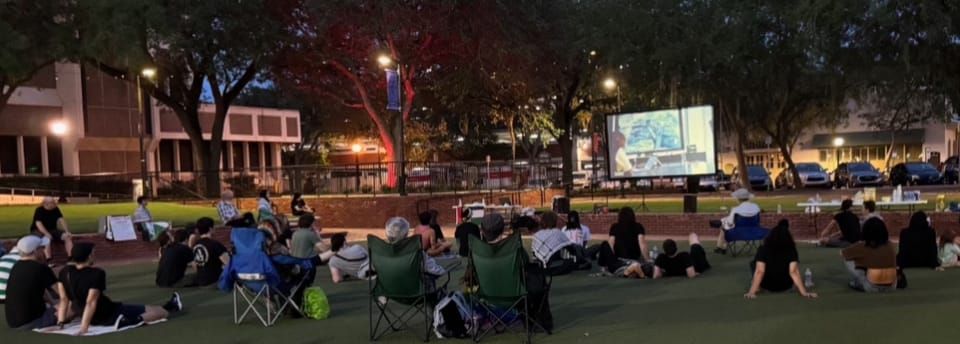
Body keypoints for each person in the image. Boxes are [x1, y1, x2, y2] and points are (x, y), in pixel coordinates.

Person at [57, 243, 182, 335]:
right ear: (89, 256)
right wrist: (84, 328)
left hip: (85, 312)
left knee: (149, 308)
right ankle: (130, 321)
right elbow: (91, 302)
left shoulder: (64, 272)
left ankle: (170, 305)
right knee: (160, 313)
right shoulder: (96, 273)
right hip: (107, 313)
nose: (94, 255)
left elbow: (63, 299)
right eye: (93, 253)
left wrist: (61, 323)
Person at [745, 220, 817, 299]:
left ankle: (756, 286)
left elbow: (760, 271)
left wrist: (751, 292)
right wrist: (804, 292)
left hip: (767, 286)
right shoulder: (791, 250)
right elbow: (793, 271)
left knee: (753, 263)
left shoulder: (763, 249)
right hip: (786, 286)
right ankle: (757, 286)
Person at [4, 236, 63, 329]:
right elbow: (63, 294)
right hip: (34, 322)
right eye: (42, 248)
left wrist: (53, 303)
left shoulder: (16, 266)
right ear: (35, 251)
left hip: (13, 322)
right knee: (75, 306)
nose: (44, 251)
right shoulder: (41, 268)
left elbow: (38, 289)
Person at [384, 217, 446, 291]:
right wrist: (443, 270)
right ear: (405, 233)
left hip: (391, 291)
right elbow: (436, 271)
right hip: (415, 293)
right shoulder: (415, 252)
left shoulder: (383, 252)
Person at [841, 218, 898, 292]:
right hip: (892, 286)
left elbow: (843, 254)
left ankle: (858, 282)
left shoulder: (862, 245)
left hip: (871, 287)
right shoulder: (890, 245)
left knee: (848, 259)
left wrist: (859, 261)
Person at [595, 207, 649, 278]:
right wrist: (647, 259)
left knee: (604, 244)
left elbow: (611, 244)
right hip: (634, 258)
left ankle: (604, 268)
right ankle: (632, 270)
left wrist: (611, 260)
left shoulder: (615, 227)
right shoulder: (638, 226)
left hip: (619, 259)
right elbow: (642, 243)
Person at [714, 188, 761, 254]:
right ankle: (722, 247)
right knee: (725, 226)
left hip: (739, 232)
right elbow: (758, 220)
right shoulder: (756, 207)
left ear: (738, 199)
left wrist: (723, 221)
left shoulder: (736, 209)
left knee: (724, 227)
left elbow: (730, 223)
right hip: (755, 231)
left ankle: (721, 247)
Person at [531, 211, 578, 275]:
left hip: (540, 268)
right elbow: (571, 248)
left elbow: (534, 253)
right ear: (554, 221)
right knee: (572, 259)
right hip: (554, 268)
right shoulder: (557, 232)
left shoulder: (537, 235)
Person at [30, 196, 74, 261]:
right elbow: (38, 224)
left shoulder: (56, 209)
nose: (55, 203)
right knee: (47, 239)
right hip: (38, 230)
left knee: (67, 237)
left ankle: (71, 257)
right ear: (46, 204)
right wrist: (46, 233)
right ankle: (49, 259)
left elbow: (62, 220)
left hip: (52, 229)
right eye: (53, 202)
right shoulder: (39, 210)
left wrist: (67, 231)